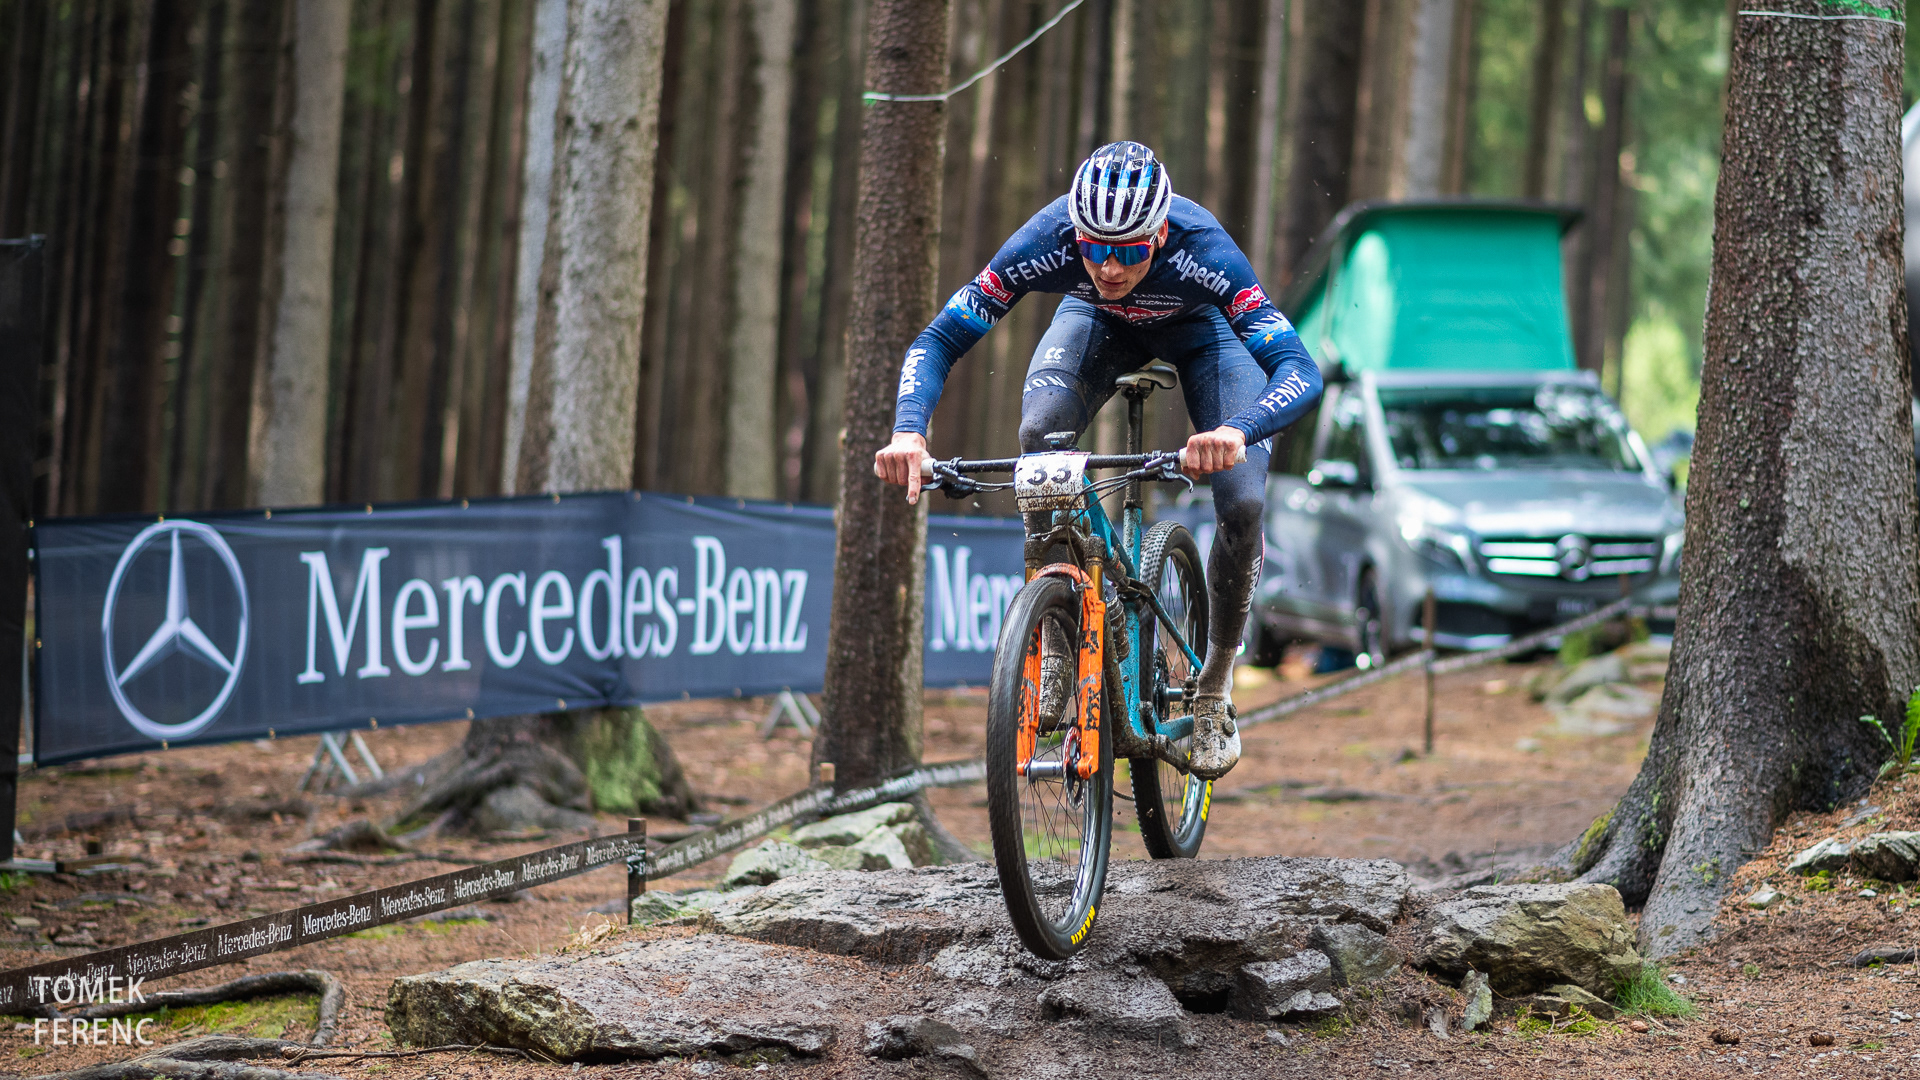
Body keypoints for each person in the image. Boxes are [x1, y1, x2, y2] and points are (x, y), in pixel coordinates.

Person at [874, 141, 1322, 780]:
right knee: (1040, 434)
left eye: (1130, 252)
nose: (1109, 266)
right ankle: (1060, 634)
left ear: (1159, 234)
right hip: (1097, 324)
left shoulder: (1204, 250)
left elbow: (1300, 370)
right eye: (1093, 248)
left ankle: (1215, 686)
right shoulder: (1049, 238)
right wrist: (909, 433)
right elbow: (940, 336)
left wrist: (1236, 430)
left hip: (1206, 338)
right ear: (1075, 233)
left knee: (1242, 501)